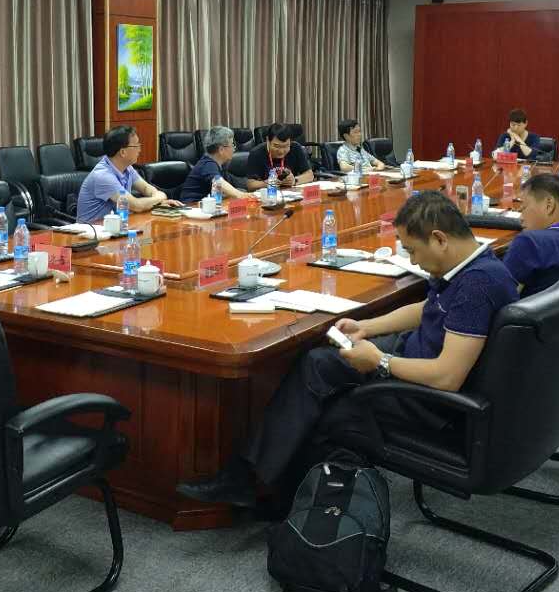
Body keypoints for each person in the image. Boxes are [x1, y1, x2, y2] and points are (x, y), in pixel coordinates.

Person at [175, 191, 517, 507]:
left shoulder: (476, 286)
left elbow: (447, 377)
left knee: (321, 390)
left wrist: (380, 361)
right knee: (318, 361)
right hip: (414, 356)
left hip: (426, 399)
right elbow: (429, 310)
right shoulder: (471, 263)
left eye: (412, 251)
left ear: (440, 239)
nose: (413, 260)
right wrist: (367, 326)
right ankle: (257, 480)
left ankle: (261, 487)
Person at [76, 125, 183, 224]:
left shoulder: (127, 167)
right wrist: (159, 199)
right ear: (123, 152)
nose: (139, 150)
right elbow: (135, 205)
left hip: (117, 227)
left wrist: (157, 201)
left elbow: (146, 188)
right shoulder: (103, 176)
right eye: (136, 146)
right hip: (92, 233)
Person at [180, 126, 252, 204]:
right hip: (192, 206)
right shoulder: (208, 164)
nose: (234, 148)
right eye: (232, 145)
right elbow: (219, 182)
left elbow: (226, 189)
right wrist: (242, 195)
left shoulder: (221, 165)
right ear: (221, 150)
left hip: (207, 206)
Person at [245, 122, 315, 190]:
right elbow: (250, 184)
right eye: (277, 146)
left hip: (290, 193)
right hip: (269, 193)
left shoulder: (296, 148)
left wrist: (295, 180)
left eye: (286, 146)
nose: (281, 151)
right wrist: (267, 183)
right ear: (268, 140)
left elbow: (309, 175)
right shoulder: (256, 153)